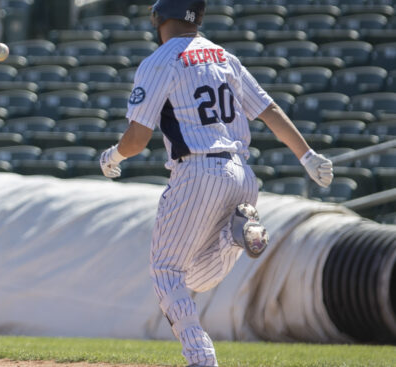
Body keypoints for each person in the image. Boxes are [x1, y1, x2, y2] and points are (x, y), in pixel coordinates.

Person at [98, 1, 334, 366]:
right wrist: (307, 155)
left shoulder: (160, 60)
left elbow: (137, 137)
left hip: (197, 170)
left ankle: (201, 357)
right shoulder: (224, 56)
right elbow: (268, 109)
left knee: (166, 271)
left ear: (160, 17)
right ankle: (235, 234)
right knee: (196, 278)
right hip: (242, 174)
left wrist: (113, 156)